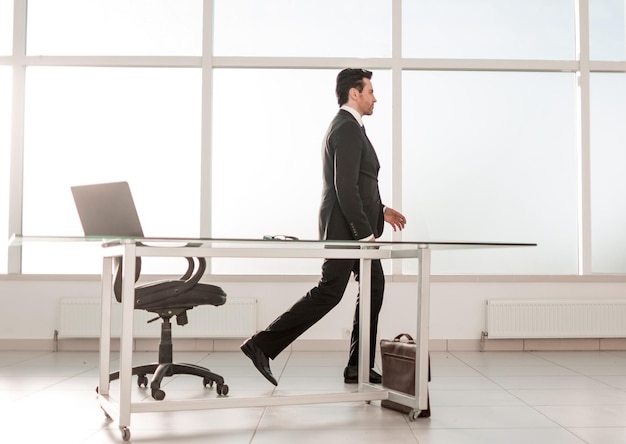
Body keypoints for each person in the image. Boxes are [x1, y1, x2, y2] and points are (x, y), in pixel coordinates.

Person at [241, 68, 406, 385]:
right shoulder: (345, 128)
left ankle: (358, 365)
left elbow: (357, 182)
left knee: (371, 287)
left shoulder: (352, 127)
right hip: (347, 231)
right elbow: (344, 188)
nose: (375, 97)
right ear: (354, 93)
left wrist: (381, 210)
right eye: (370, 91)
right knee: (330, 292)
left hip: (351, 228)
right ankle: (260, 344)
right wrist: (366, 235)